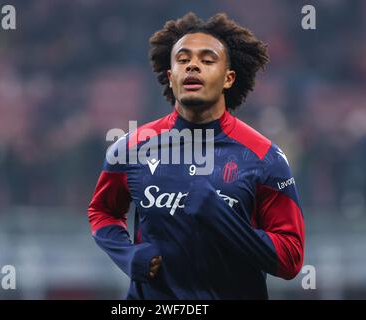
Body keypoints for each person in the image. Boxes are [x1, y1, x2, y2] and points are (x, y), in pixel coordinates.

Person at [88, 12, 304, 299]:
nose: (192, 65)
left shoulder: (265, 157)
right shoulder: (131, 148)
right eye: (183, 59)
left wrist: (223, 218)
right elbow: (102, 211)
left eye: (207, 60)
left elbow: (290, 259)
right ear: (170, 76)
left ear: (228, 78)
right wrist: (127, 255)